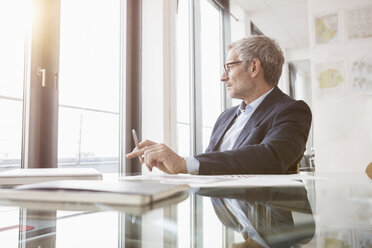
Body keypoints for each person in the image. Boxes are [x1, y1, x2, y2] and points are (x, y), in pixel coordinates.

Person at [126, 35, 312, 175]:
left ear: (254, 67)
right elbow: (213, 165)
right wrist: (177, 167)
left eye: (229, 67)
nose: (223, 77)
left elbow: (272, 157)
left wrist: (184, 163)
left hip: (267, 221)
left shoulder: (292, 111)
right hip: (227, 216)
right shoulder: (226, 117)